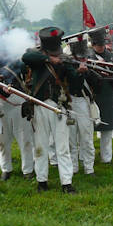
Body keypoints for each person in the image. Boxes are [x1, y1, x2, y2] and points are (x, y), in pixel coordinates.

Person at [22, 27, 87, 194]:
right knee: (41, 146)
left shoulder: (65, 59)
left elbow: (76, 85)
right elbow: (26, 57)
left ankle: (66, 182)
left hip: (59, 106)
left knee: (62, 147)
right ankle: (41, 181)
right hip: (39, 106)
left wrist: (80, 73)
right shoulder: (37, 57)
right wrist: (49, 59)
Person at [0, 59, 35, 180]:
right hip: (1, 104)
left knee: (24, 138)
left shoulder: (16, 61)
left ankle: (28, 169)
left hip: (19, 102)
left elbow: (23, 68)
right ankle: (6, 169)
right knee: (3, 140)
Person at [88, 27, 113, 162]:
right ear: (93, 44)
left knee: (107, 129)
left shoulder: (112, 57)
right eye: (98, 44)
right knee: (87, 130)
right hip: (92, 95)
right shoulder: (88, 57)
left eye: (102, 44)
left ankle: (106, 158)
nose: (101, 47)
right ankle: (87, 158)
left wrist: (109, 71)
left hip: (108, 94)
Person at [66, 35, 97, 176]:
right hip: (70, 102)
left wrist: (89, 71)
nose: (83, 59)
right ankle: (73, 167)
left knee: (87, 138)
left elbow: (98, 84)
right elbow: (73, 85)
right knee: (71, 139)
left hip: (84, 103)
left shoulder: (89, 64)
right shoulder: (67, 65)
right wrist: (79, 72)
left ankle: (89, 168)